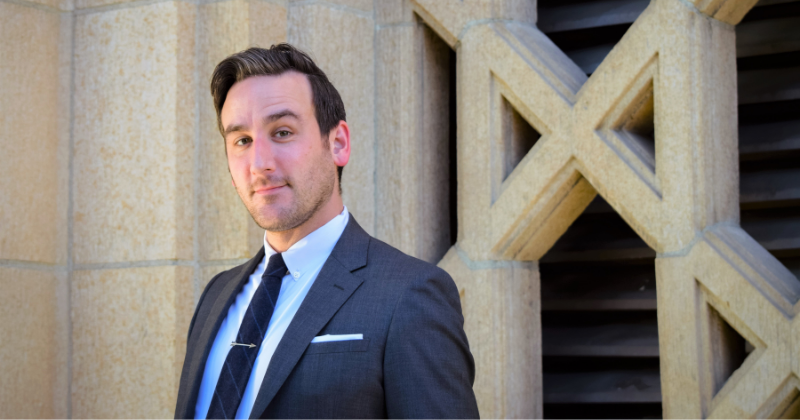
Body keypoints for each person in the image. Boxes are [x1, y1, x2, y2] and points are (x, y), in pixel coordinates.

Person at [174, 43, 479, 419]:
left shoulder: (409, 294)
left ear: (338, 143)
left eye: (282, 132)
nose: (259, 164)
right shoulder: (216, 296)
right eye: (242, 140)